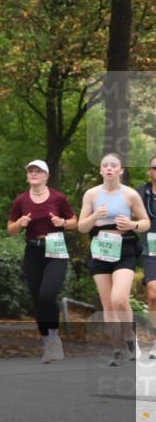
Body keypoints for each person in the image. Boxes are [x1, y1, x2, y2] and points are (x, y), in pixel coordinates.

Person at [77, 153, 150, 366]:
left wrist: (133, 225)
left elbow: (145, 222)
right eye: (105, 165)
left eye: (113, 165)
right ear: (100, 170)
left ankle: (128, 337)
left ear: (121, 170)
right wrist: (94, 217)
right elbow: (82, 227)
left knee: (119, 299)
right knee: (108, 305)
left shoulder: (130, 195)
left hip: (124, 248)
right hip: (100, 248)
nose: (109, 168)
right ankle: (117, 349)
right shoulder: (91, 195)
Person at [6, 160, 78, 363]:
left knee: (48, 295)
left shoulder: (58, 198)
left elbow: (75, 222)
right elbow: (10, 230)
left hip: (55, 249)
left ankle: (55, 338)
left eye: (38, 171)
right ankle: (48, 343)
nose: (33, 174)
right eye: (30, 171)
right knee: (38, 299)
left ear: (46, 176)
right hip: (33, 250)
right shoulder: (21, 200)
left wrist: (62, 222)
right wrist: (20, 223)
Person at [138, 154, 156, 359]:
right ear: (149, 171)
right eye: (154, 168)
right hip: (151, 249)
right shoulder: (141, 193)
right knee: (153, 294)